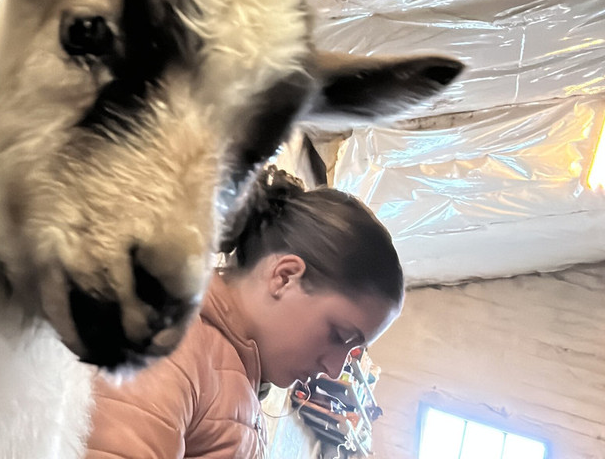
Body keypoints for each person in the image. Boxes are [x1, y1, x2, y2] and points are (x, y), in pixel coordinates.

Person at [83, 167, 404, 459]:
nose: (335, 370)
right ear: (284, 277)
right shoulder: (175, 350)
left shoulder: (233, 373)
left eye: (351, 353)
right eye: (339, 335)